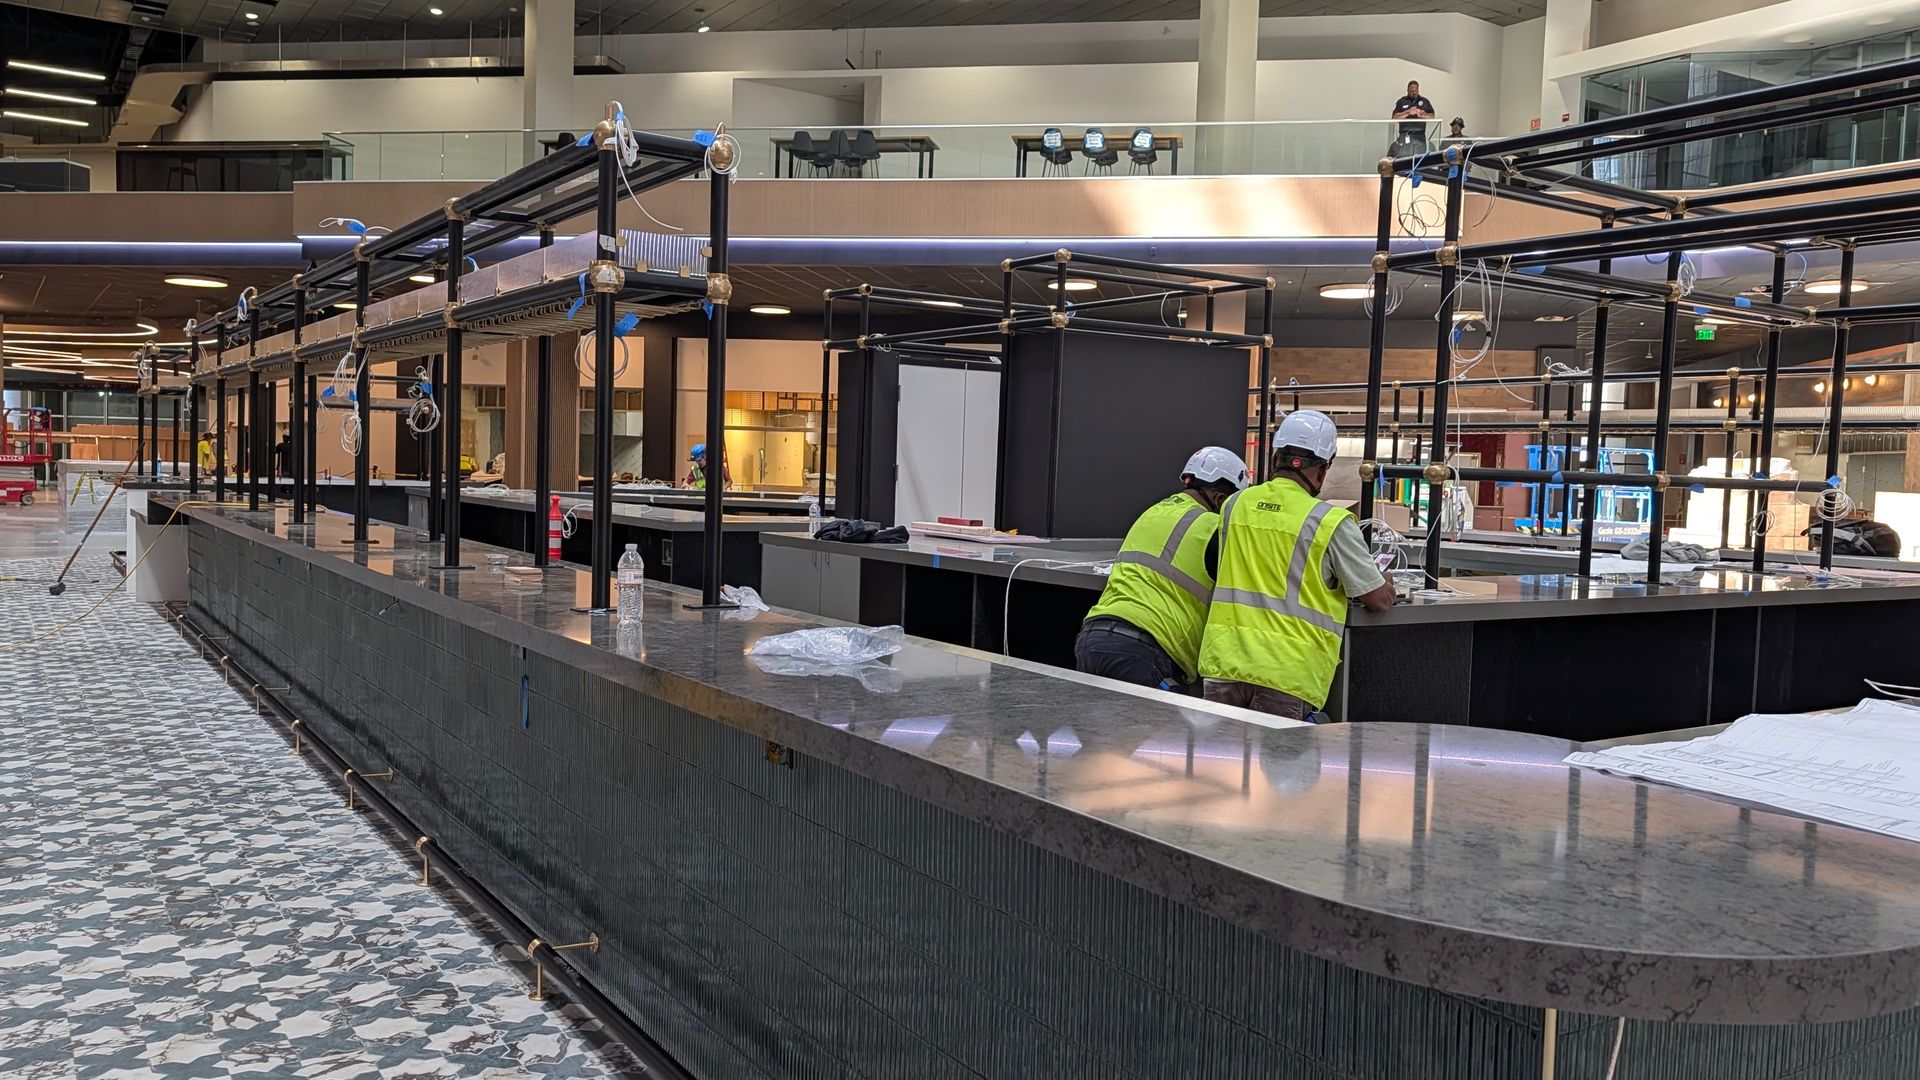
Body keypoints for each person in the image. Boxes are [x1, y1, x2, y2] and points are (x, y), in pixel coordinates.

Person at [1198, 411, 1397, 720]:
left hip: (1224, 663)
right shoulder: (1329, 521)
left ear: (1276, 455)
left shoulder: (1234, 505)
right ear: (1323, 470)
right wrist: (1383, 580)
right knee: (1281, 767)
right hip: (1287, 673)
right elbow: (1377, 599)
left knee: (1221, 766)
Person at [1074, 447, 1250, 693]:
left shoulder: (1152, 512)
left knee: (1103, 731)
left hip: (1094, 638)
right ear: (1220, 498)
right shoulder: (1212, 527)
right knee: (1160, 730)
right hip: (1144, 650)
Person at [1391, 80, 1436, 155]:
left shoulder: (1424, 101)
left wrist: (1423, 114)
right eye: (1412, 91)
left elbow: (1432, 116)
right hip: (1405, 135)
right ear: (1408, 91)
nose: (1414, 92)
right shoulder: (1402, 101)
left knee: (1419, 160)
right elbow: (1394, 117)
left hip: (1420, 136)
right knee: (1404, 159)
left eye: (1415, 90)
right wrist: (1408, 112)